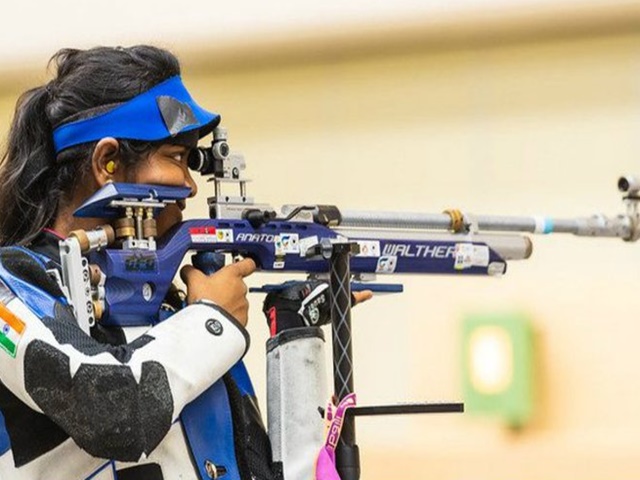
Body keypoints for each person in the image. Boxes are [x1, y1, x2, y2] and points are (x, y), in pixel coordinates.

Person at [0, 45, 281, 480]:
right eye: (176, 158)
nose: (189, 186)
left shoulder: (167, 309)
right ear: (107, 163)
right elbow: (112, 412)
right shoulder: (11, 287)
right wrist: (212, 320)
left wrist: (297, 333)